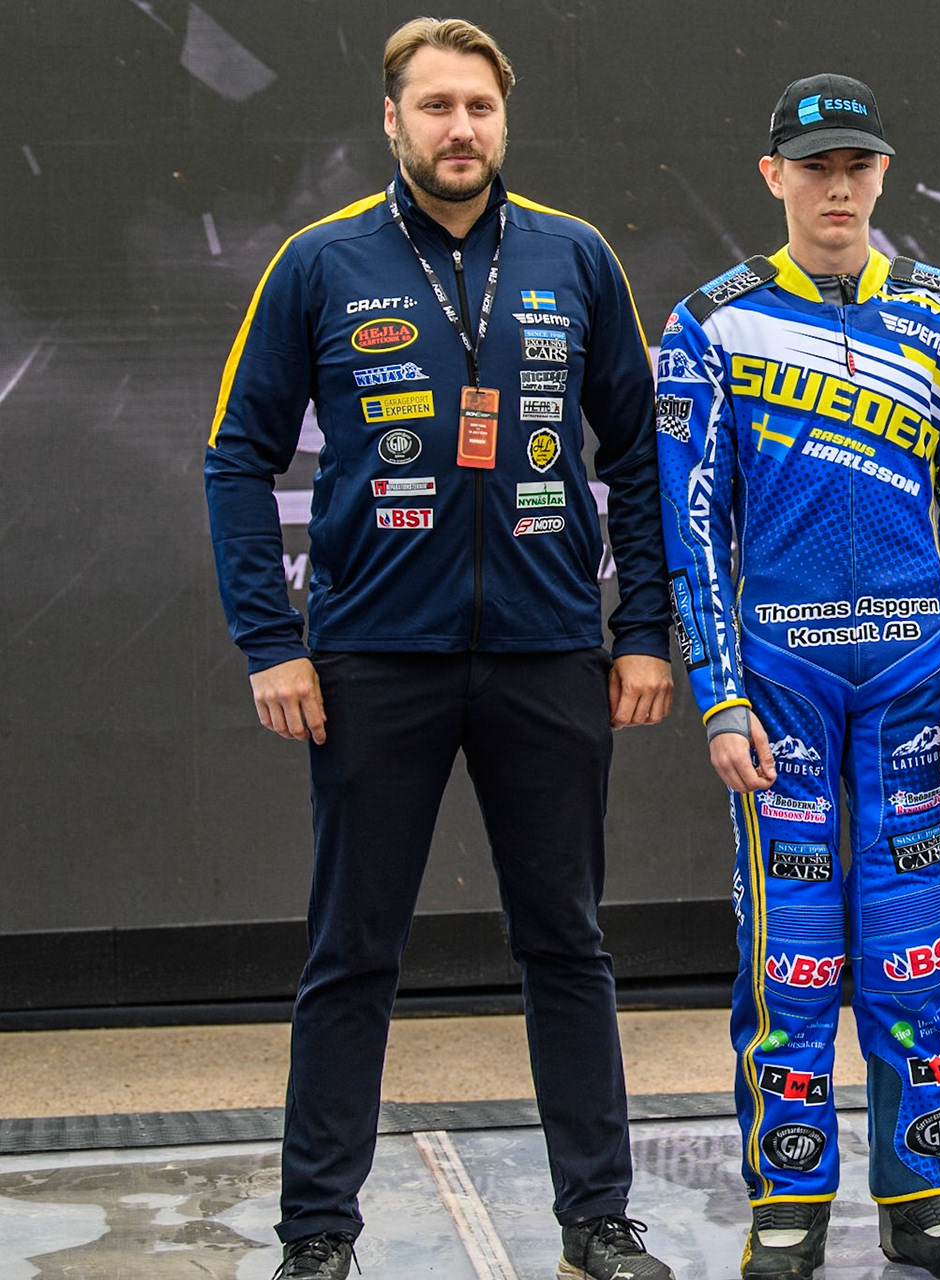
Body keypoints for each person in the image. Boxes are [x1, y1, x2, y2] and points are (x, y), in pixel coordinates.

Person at [204, 18, 676, 1280]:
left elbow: (637, 455)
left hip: (547, 658)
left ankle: (598, 1218)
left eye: (479, 106)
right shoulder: (320, 261)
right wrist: (271, 638)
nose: (459, 128)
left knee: (566, 940)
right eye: (436, 106)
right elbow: (236, 456)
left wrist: (640, 633)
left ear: (502, 122)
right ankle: (318, 1231)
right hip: (371, 659)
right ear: (392, 122)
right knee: (350, 949)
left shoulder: (574, 258)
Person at [654, 74, 940, 1280]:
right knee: (793, 951)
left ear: (884, 174)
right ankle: (787, 1202)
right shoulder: (711, 319)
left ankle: (924, 1194)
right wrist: (719, 689)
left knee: (914, 948)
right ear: (774, 178)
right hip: (783, 680)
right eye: (814, 167)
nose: (839, 186)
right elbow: (688, 523)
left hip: (914, 676)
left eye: (858, 163)